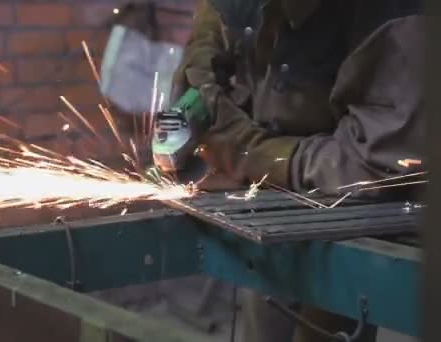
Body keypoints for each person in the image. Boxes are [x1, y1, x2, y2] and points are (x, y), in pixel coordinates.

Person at [171, 0, 424, 341]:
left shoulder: (402, 24)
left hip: (361, 203)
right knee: (264, 308)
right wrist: (204, 48)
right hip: (274, 200)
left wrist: (249, 151)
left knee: (333, 310)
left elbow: (373, 166)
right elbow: (216, 15)